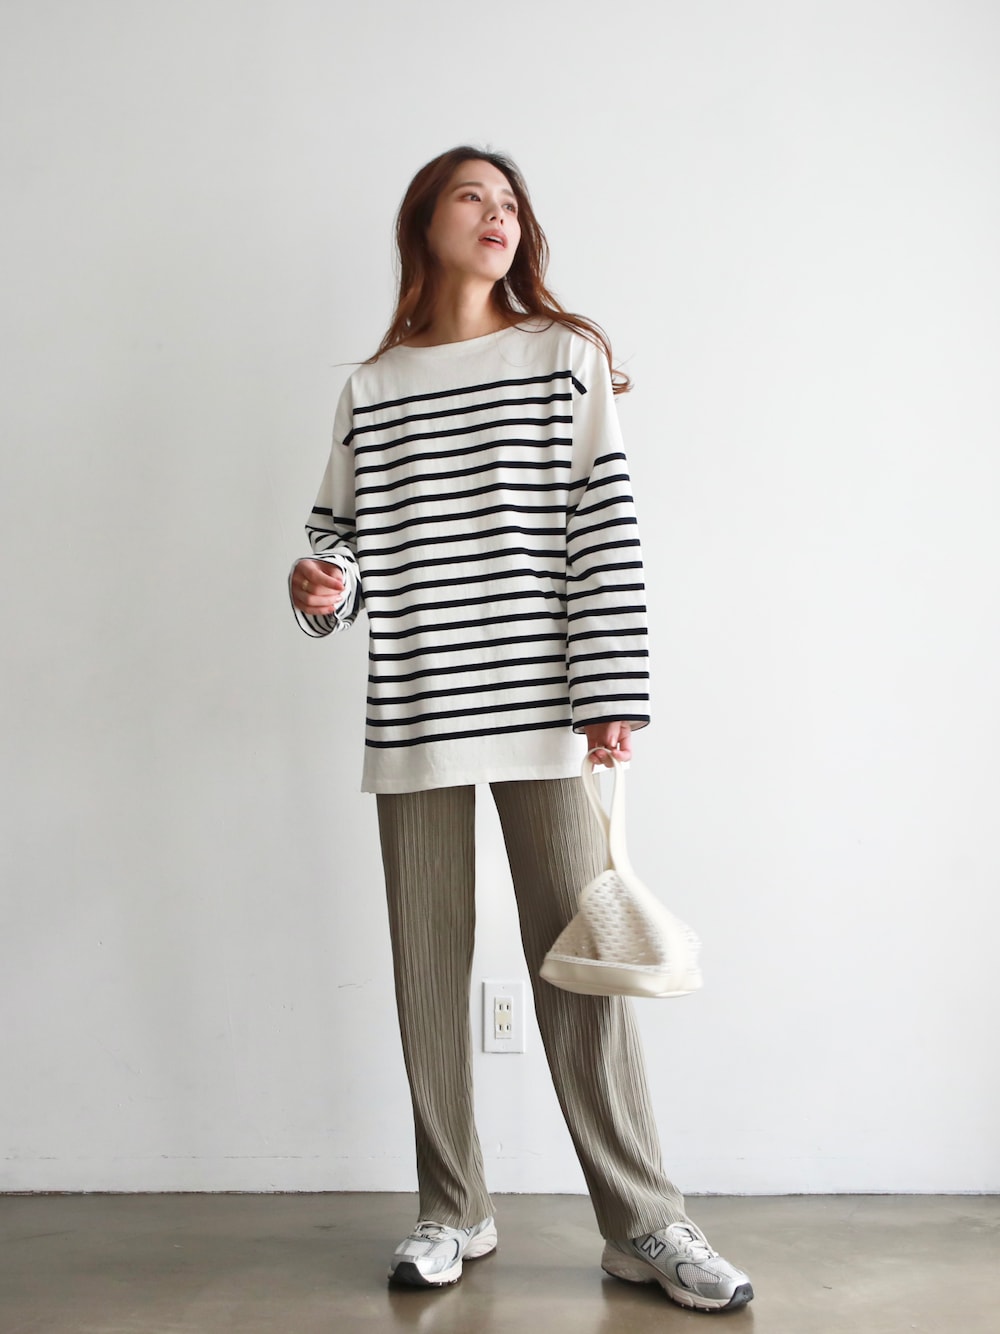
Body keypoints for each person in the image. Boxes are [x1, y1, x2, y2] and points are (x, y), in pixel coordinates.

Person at [289, 145, 754, 1314]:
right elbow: (337, 537)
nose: (496, 215)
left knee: (579, 965)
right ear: (424, 223)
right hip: (417, 708)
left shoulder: (562, 357)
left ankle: (643, 1222)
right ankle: (451, 1207)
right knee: (426, 968)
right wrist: (322, 586)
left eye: (510, 203)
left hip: (546, 706)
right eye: (471, 197)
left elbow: (604, 525)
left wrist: (611, 688)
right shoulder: (374, 386)